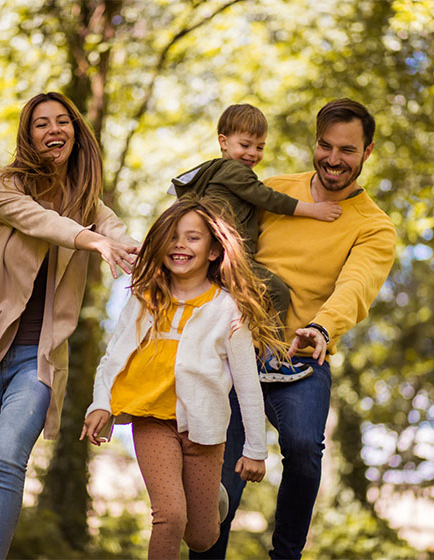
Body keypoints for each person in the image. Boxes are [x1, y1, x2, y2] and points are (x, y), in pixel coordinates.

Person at [0, 92, 140, 560]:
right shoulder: (3, 186)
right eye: (41, 123)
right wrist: (94, 241)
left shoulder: (89, 204)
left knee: (5, 461)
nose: (53, 130)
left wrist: (149, 256)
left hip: (36, 358)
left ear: (77, 134)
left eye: (63, 122)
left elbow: (121, 235)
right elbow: (43, 222)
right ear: (28, 135)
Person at [190, 98, 397, 559]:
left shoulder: (375, 228)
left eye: (347, 150)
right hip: (235, 348)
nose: (333, 159)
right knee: (219, 476)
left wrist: (322, 328)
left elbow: (355, 287)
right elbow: (216, 232)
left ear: (367, 152)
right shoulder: (273, 191)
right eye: (325, 146)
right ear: (315, 144)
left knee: (304, 449)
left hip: (301, 354)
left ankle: (286, 555)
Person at [80, 196, 287, 560]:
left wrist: (255, 449)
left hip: (205, 429)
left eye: (192, 238)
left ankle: (210, 498)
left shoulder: (228, 309)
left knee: (202, 536)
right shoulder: (145, 297)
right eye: (172, 237)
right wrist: (101, 404)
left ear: (212, 251)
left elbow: (246, 381)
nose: (179, 244)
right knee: (170, 516)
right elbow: (114, 354)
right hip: (152, 420)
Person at [171, 103, 342, 381]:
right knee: (275, 290)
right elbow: (268, 198)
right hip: (231, 257)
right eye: (245, 145)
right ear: (223, 143)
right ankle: (272, 358)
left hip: (217, 258)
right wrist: (314, 210)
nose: (252, 154)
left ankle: (243, 354)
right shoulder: (233, 170)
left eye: (260, 147)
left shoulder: (212, 173)